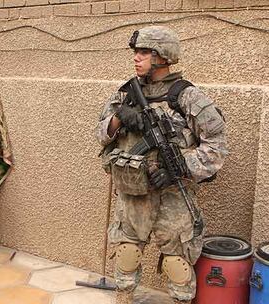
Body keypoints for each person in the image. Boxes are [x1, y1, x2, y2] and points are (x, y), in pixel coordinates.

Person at [95, 26, 227, 304]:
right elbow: (98, 135)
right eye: (136, 52)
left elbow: (216, 148)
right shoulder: (125, 94)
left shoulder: (189, 97)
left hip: (173, 194)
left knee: (177, 263)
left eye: (144, 52)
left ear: (163, 56)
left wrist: (178, 166)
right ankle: (123, 299)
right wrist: (120, 117)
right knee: (127, 253)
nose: (136, 58)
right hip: (133, 193)